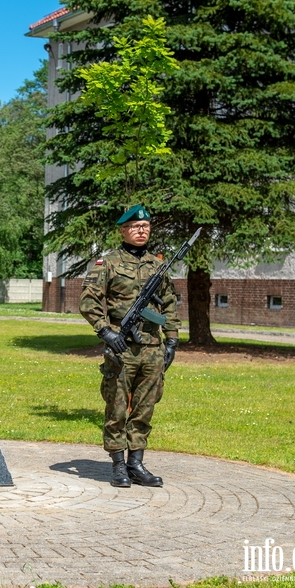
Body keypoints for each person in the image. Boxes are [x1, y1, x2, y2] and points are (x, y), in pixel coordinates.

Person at [79, 205, 179, 488]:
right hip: (122, 348)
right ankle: (119, 465)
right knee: (117, 408)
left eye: (146, 226)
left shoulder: (157, 265)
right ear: (123, 230)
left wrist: (171, 339)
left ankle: (136, 463)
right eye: (135, 226)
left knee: (145, 408)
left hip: (152, 349)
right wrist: (106, 333)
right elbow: (88, 302)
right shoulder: (108, 263)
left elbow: (169, 304)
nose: (141, 230)